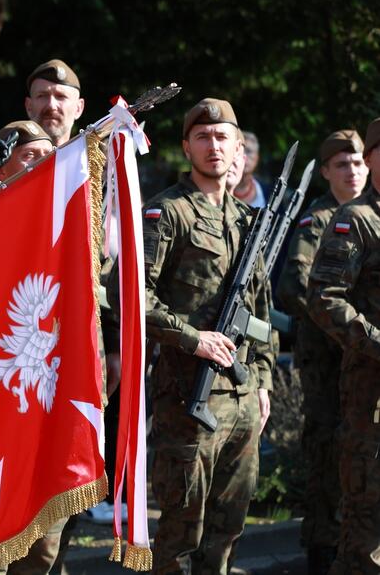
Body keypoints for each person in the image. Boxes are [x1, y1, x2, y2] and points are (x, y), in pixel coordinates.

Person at [137, 98, 275, 573]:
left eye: (222, 137)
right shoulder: (167, 213)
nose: (213, 145)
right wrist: (191, 337)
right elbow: (133, 295)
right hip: (186, 402)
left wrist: (264, 384)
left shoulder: (245, 219)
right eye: (202, 137)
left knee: (228, 528)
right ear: (185, 147)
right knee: (179, 535)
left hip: (241, 397)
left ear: (238, 147)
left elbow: (261, 310)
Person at [275, 129, 368, 573]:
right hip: (329, 359)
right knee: (328, 451)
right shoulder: (320, 219)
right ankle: (322, 545)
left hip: (362, 359)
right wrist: (347, 332)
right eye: (342, 164)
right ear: (327, 171)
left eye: (357, 162)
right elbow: (297, 286)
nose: (351, 171)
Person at [307, 117, 380, 575]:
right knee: (366, 541)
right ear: (371, 160)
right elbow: (323, 298)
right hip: (371, 401)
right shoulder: (356, 219)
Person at [24, 59, 85, 146]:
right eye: (42, 96)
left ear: (78, 108)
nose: (51, 105)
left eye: (61, 96)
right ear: (29, 107)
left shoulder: (93, 159)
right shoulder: (9, 159)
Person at [231, 131, 267, 208]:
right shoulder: (218, 190)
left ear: (257, 158)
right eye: (239, 150)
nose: (243, 155)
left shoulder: (268, 192)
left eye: (249, 151)